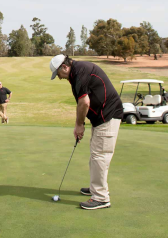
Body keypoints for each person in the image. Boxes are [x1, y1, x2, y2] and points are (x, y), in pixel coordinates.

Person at [50, 54, 123, 210]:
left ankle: (101, 197)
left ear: (64, 67)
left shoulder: (80, 72)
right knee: (96, 154)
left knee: (100, 155)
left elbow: (84, 102)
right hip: (101, 117)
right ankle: (96, 187)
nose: (59, 78)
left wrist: (79, 125)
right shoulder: (76, 72)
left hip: (108, 115)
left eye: (58, 74)